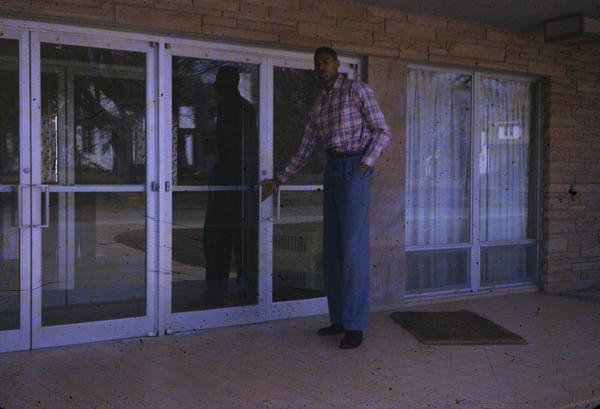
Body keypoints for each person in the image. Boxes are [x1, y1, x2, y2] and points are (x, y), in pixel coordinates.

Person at [261, 47, 391, 349]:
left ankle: (355, 327)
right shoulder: (319, 104)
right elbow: (305, 148)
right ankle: (339, 319)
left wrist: (365, 163)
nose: (322, 67)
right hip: (332, 169)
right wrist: (279, 179)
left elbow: (383, 131)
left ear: (337, 64)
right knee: (332, 249)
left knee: (353, 250)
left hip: (354, 167)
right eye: (318, 63)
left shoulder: (357, 90)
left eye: (326, 62)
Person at [202, 65, 258, 308]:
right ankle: (240, 293)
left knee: (220, 240)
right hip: (236, 180)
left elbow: (237, 146)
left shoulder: (233, 108)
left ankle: (218, 296)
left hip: (232, 180)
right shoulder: (239, 107)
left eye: (220, 80)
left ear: (231, 82)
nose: (216, 84)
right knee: (236, 241)